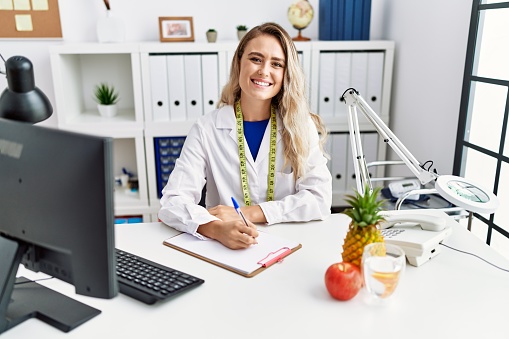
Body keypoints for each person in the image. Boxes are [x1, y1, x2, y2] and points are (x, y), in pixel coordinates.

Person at [158, 22, 332, 249]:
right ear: (239, 62)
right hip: (224, 247)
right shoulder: (206, 128)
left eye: (276, 64)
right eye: (256, 59)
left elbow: (319, 199)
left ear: (286, 73)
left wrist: (245, 213)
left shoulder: (300, 126)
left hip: (287, 245)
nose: (264, 71)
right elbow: (172, 202)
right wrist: (215, 228)